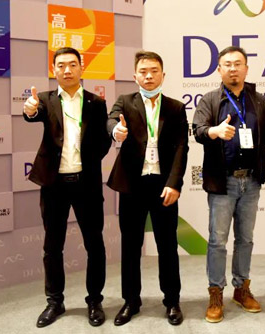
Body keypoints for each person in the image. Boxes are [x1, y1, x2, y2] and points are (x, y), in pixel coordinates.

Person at [23, 47, 111, 328]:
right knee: (52, 246)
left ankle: (94, 301)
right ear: (54, 70)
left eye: (72, 64)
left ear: (81, 68)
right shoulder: (45, 100)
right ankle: (54, 302)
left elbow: (104, 142)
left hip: (86, 184)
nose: (67, 70)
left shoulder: (96, 102)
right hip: (54, 185)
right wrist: (29, 110)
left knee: (94, 245)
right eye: (61, 65)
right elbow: (32, 113)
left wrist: (87, 160)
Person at [192, 46, 265, 323]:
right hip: (223, 181)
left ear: (246, 68)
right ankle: (216, 292)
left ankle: (242, 288)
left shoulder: (258, 100)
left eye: (238, 64)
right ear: (219, 69)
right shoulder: (210, 100)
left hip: (250, 180)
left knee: (245, 238)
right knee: (217, 240)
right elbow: (198, 130)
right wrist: (214, 132)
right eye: (227, 64)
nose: (233, 68)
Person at [106, 51, 188, 326]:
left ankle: (172, 301)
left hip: (163, 186)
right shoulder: (125, 102)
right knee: (130, 246)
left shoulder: (175, 107)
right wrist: (116, 131)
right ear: (135, 76)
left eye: (154, 71)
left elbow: (181, 147)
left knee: (167, 245)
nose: (149, 76)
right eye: (143, 71)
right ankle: (131, 301)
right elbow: (111, 120)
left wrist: (174, 183)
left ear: (163, 75)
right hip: (132, 185)